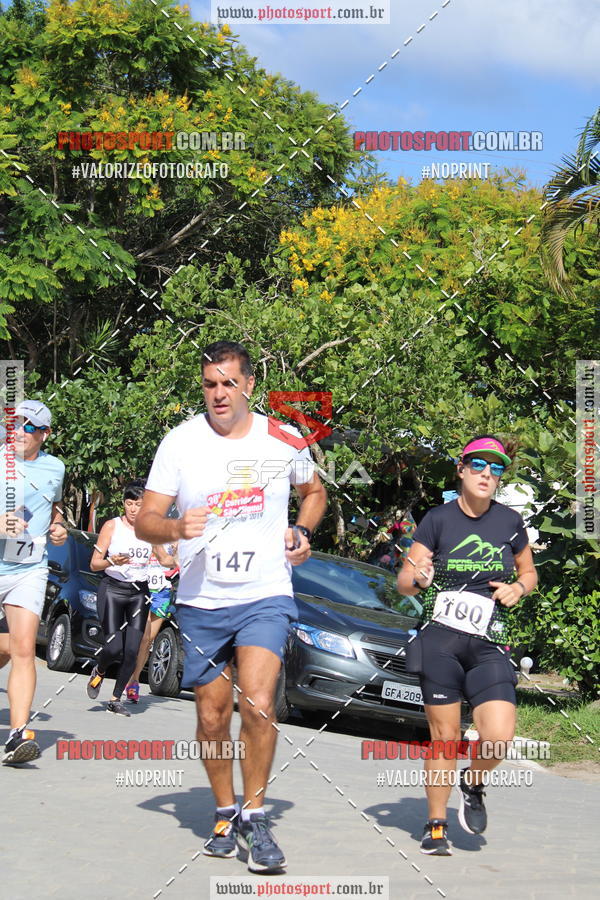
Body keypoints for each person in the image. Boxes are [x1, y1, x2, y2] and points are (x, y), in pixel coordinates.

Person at [135, 340, 327, 873]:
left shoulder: (283, 438)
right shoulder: (179, 443)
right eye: (209, 384)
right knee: (212, 715)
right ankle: (224, 809)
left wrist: (301, 530)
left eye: (228, 383)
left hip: (265, 593)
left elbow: (314, 492)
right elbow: (145, 519)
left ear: (248, 386)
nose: (218, 393)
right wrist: (174, 527)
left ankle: (255, 815)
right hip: (201, 599)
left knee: (260, 701)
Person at [397, 435, 538, 855]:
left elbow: (528, 573)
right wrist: (419, 577)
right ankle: (435, 825)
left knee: (498, 736)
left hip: (488, 643)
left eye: (496, 469)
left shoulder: (510, 521)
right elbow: (404, 583)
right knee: (444, 736)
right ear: (460, 469)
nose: (486, 474)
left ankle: (473, 782)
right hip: (440, 640)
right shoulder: (437, 520)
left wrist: (518, 588)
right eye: (478, 465)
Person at [0, 400, 68, 765]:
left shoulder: (55, 468)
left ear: (44, 434)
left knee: (23, 650)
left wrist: (58, 527)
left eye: (29, 426)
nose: (19, 432)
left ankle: (16, 735)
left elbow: (53, 509)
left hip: (28, 568)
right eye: (14, 424)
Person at [86, 479, 170, 717]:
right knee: (113, 648)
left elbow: (164, 559)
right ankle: (100, 671)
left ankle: (115, 698)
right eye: (129, 503)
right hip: (113, 589)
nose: (133, 509)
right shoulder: (112, 526)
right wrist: (113, 561)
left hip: (139, 593)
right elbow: (94, 564)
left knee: (133, 650)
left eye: (139, 504)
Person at [124, 541, 178, 703]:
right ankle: (129, 678)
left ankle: (134, 679)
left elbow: (178, 562)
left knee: (148, 641)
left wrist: (176, 553)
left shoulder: (177, 537)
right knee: (143, 636)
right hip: (143, 588)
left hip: (163, 592)